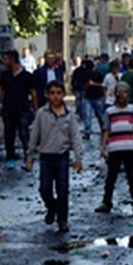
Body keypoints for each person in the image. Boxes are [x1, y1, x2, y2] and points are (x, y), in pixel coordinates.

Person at [27, 81, 82, 232]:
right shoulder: (41, 114)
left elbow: (75, 137)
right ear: (46, 95)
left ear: (63, 94)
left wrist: (78, 158)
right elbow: (34, 135)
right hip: (46, 157)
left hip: (62, 157)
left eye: (58, 93)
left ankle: (62, 220)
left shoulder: (69, 115)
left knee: (62, 190)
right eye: (52, 93)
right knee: (44, 189)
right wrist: (30, 154)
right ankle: (51, 207)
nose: (55, 96)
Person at [96, 83, 133, 215]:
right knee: (111, 177)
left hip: (129, 147)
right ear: (115, 94)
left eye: (125, 92)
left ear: (128, 94)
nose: (122, 95)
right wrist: (103, 147)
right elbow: (106, 130)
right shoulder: (110, 112)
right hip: (114, 148)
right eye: (120, 92)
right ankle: (106, 202)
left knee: (132, 176)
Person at [0, 49, 36, 169]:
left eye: (6, 59)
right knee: (9, 134)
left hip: (23, 109)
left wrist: (36, 109)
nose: (4, 62)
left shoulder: (27, 76)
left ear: (13, 60)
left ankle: (28, 158)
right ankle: (10, 157)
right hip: (8, 109)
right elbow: (0, 88)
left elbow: (33, 93)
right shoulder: (4, 75)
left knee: (24, 134)